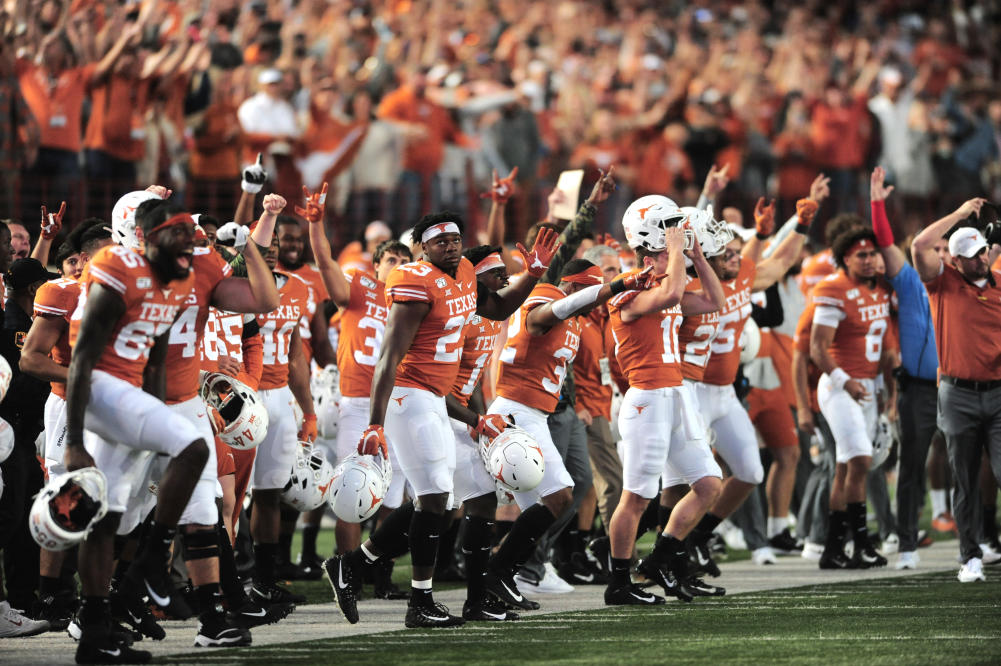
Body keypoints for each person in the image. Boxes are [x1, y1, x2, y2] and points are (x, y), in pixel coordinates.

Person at [323, 210, 559, 628]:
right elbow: (389, 358)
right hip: (409, 394)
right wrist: (374, 424)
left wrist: (532, 274)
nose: (449, 246)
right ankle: (419, 600)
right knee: (434, 497)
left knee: (440, 499)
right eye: (439, 241)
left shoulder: (466, 272)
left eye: (454, 239)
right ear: (424, 247)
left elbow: (501, 307)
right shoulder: (414, 281)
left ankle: (356, 567)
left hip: (434, 397)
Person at [62, 202, 208, 663]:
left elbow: (158, 361)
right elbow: (82, 358)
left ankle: (95, 632)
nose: (189, 245)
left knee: (105, 522)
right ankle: (149, 566)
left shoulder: (177, 280)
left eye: (191, 236)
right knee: (193, 445)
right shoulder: (116, 264)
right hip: (100, 388)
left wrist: (155, 417)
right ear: (147, 237)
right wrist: (73, 441)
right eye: (178, 235)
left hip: (129, 396)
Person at [485, 259, 656, 608]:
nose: (596, 302)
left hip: (533, 413)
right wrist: (618, 285)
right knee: (559, 495)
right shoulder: (546, 297)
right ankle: (495, 572)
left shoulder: (578, 321)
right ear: (575, 287)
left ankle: (504, 575)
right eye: (590, 292)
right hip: (515, 411)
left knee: (542, 506)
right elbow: (545, 315)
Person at [604, 213, 724, 606]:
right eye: (658, 252)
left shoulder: (665, 284)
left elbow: (713, 302)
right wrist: (675, 251)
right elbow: (672, 294)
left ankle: (659, 559)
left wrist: (699, 258)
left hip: (675, 396)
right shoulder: (629, 293)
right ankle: (619, 582)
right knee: (637, 497)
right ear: (642, 255)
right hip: (647, 399)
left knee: (708, 484)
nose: (669, 258)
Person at [305, 201, 413, 593]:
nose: (397, 263)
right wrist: (316, 225)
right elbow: (325, 262)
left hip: (400, 404)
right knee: (351, 487)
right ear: (376, 265)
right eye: (391, 259)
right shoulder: (358, 287)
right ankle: (347, 572)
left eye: (404, 258)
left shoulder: (416, 297)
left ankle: (378, 571)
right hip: (355, 402)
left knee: (394, 497)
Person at [21, 221, 113, 629]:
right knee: (65, 498)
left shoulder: (130, 290)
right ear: (85, 259)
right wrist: (77, 376)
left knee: (118, 501)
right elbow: (30, 358)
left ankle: (110, 595)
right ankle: (53, 595)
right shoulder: (63, 292)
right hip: (67, 405)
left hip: (115, 406)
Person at [911, 197, 1001, 583]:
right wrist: (962, 215)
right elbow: (918, 245)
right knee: (963, 478)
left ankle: (987, 540)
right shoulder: (942, 284)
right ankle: (970, 556)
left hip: (998, 392)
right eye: (971, 255)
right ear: (954, 260)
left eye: (982, 252)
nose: (979, 259)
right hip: (957, 392)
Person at [867, 167, 939, 570]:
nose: (940, 258)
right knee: (911, 466)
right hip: (921, 388)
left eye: (946, 252)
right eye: (934, 251)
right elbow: (885, 242)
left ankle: (983, 539)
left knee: (981, 466)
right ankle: (907, 542)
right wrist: (877, 202)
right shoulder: (911, 283)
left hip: (969, 387)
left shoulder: (971, 285)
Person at [810, 226, 893, 570]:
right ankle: (861, 543)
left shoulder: (879, 290)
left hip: (869, 387)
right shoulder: (833, 288)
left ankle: (832, 549)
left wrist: (887, 387)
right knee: (859, 460)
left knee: (847, 467)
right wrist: (846, 382)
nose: (870, 259)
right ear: (846, 258)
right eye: (861, 254)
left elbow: (883, 348)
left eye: (872, 253)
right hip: (839, 386)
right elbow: (817, 346)